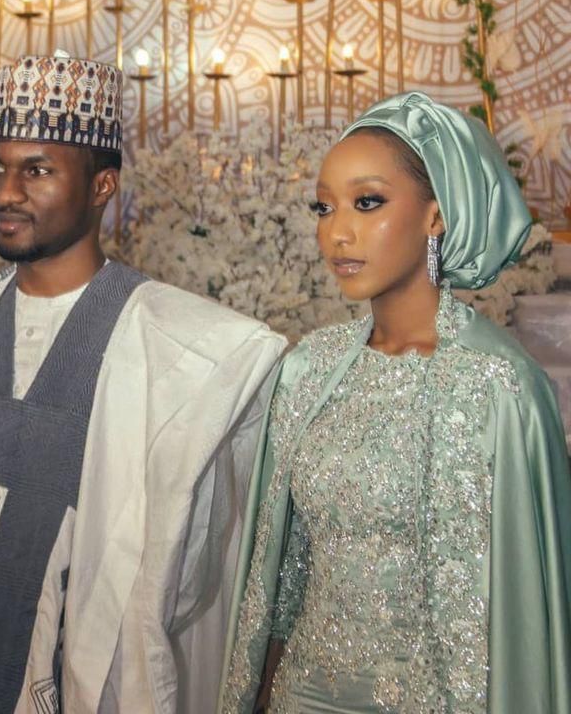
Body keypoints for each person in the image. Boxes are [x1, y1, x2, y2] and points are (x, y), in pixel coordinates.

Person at [0, 52, 286, 714]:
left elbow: (200, 560)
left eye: (36, 171)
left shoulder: (161, 347)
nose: (6, 191)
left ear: (102, 187)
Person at [220, 92, 571, 714]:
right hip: (304, 695)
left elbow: (527, 618)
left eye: (368, 202)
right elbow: (280, 580)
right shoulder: (308, 371)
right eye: (324, 208)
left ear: (437, 215)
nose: (338, 232)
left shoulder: (501, 387)